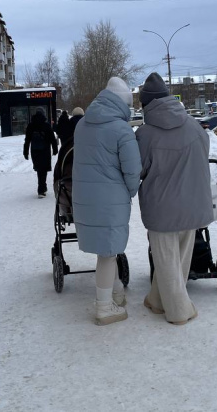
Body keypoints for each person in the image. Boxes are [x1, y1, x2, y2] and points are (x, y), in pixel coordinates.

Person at [135, 72, 214, 325]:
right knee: (178, 258)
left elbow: (139, 169)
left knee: (166, 259)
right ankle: (157, 300)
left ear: (146, 104)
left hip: (163, 207)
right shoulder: (194, 126)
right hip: (193, 205)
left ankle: (179, 311)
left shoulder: (145, 134)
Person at [72, 78, 141, 326]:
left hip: (84, 199)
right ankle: (103, 307)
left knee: (107, 250)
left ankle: (117, 291)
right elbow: (133, 170)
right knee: (109, 252)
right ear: (123, 103)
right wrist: (131, 192)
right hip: (110, 200)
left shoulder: (82, 126)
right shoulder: (121, 130)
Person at [23, 110, 58, 197]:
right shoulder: (46, 125)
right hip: (45, 150)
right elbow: (52, 138)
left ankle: (42, 187)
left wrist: (25, 152)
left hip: (35, 150)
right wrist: (55, 149)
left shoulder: (31, 126)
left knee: (39, 169)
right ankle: (41, 189)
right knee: (44, 169)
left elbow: (27, 140)